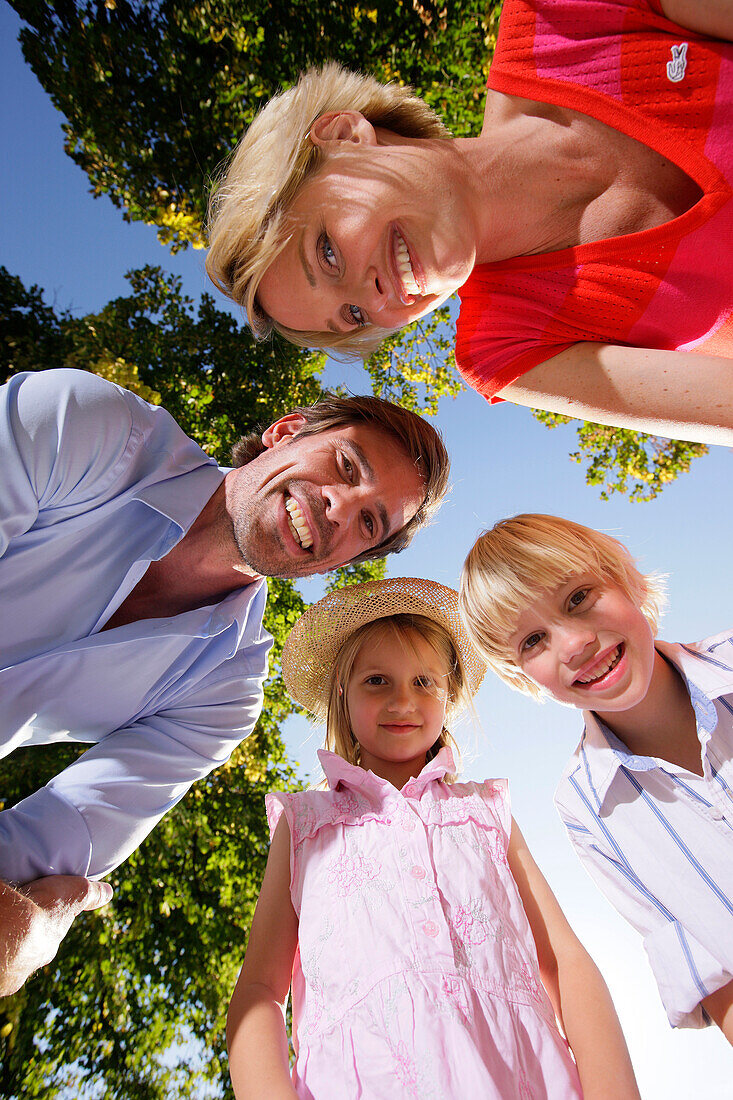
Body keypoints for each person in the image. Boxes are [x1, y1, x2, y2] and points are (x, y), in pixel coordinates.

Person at [0, 368, 448, 993]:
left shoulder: (223, 696)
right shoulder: (86, 423)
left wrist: (23, 928)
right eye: (346, 465)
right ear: (285, 433)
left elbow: (47, 855)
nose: (338, 506)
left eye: (369, 524)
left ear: (342, 563)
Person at [206, 0, 733, 447]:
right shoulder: (507, 349)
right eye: (352, 314)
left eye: (327, 253)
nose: (377, 299)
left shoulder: (556, 19)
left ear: (346, 135)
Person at [227, 577, 640, 1098]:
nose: (404, 700)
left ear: (449, 696)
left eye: (424, 682)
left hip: (519, 1074)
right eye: (377, 681)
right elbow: (261, 992)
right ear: (342, 693)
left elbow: (562, 960)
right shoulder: (306, 823)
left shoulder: (484, 813)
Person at [459, 513, 733, 1043]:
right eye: (534, 640)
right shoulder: (587, 809)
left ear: (625, 579)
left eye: (579, 597)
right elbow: (717, 981)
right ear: (520, 674)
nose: (574, 644)